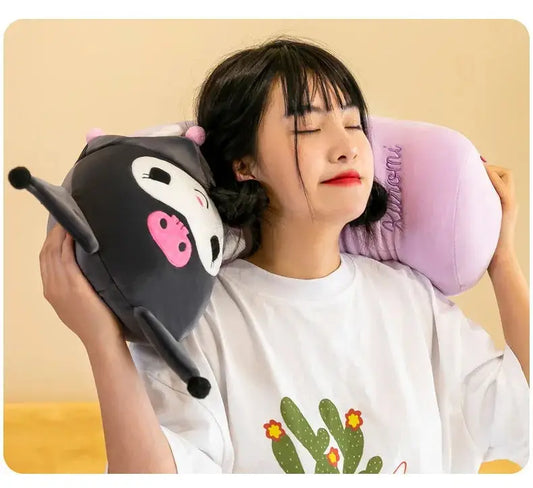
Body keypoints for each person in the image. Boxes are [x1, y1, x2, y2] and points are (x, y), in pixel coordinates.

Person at [39, 36, 529, 474]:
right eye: (307, 128)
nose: (347, 147)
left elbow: (523, 420)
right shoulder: (204, 321)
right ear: (244, 163)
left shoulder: (411, 302)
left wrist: (502, 261)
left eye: (354, 123)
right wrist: (103, 343)